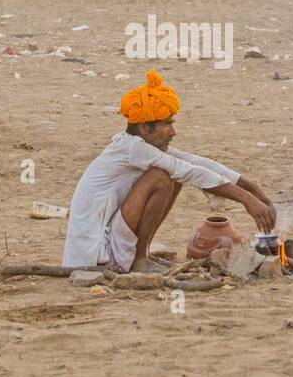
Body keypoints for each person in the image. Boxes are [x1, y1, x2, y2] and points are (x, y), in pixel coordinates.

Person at [62, 70, 277, 273]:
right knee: (162, 177)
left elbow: (197, 163)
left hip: (109, 239)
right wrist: (247, 201)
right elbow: (187, 171)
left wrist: (254, 190)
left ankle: (142, 255)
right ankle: (139, 259)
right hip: (93, 254)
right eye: (167, 125)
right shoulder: (133, 149)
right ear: (146, 128)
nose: (173, 132)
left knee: (172, 175)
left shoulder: (143, 147)